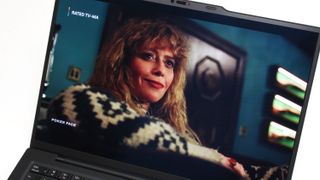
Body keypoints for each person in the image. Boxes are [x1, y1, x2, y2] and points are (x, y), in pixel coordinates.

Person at [47, 17, 249, 179]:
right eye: (148, 56)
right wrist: (216, 160)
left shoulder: (173, 131)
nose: (160, 70)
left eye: (169, 63)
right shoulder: (80, 97)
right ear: (121, 62)